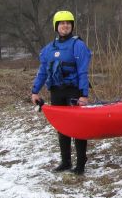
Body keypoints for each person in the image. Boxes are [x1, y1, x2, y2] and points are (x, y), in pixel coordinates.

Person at [31, 10, 92, 174]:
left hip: (74, 91)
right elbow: (43, 72)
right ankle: (65, 161)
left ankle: (80, 164)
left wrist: (84, 95)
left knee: (78, 127)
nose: (65, 26)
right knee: (62, 127)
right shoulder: (48, 49)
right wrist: (35, 91)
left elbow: (83, 72)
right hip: (56, 91)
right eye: (61, 23)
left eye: (68, 23)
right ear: (56, 27)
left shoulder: (78, 45)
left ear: (72, 26)